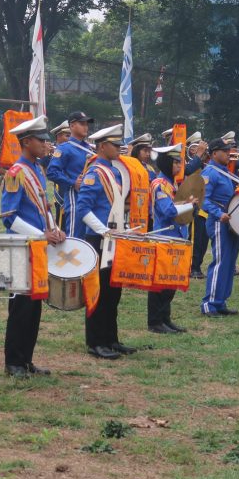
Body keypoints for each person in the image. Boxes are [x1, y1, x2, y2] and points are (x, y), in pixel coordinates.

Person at [1, 115, 64, 377]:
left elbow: (42, 205)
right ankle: (13, 362)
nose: (46, 144)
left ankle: (26, 359)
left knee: (34, 305)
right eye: (41, 140)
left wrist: (53, 228)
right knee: (21, 307)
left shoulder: (38, 169)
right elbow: (9, 216)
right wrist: (41, 234)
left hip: (37, 246)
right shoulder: (16, 172)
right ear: (27, 142)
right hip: (22, 247)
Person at [76, 124, 135, 359]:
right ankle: (96, 341)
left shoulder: (113, 171)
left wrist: (124, 229)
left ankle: (111, 338)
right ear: (102, 147)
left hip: (114, 238)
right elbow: (83, 208)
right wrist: (104, 232)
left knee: (113, 293)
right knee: (98, 293)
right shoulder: (94, 173)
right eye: (115, 144)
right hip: (100, 239)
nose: (119, 147)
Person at [148, 143, 195, 333]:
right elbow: (167, 211)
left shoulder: (171, 184)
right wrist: (189, 205)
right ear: (167, 163)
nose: (178, 166)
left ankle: (165, 319)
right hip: (165, 237)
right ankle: (155, 322)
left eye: (180, 162)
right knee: (160, 283)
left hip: (176, 236)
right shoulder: (159, 185)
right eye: (175, 162)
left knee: (171, 282)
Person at [201, 137, 239, 316]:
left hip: (231, 222)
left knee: (229, 262)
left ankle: (221, 301)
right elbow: (203, 200)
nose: (229, 154)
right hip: (219, 222)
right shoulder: (209, 173)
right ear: (214, 153)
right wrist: (219, 214)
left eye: (229, 151)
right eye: (225, 151)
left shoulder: (224, 171)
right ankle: (210, 303)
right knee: (220, 262)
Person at [47, 111, 94, 236]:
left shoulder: (89, 148)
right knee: (75, 236)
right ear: (72, 126)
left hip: (90, 197)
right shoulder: (64, 148)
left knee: (90, 237)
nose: (86, 127)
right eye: (82, 123)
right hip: (75, 196)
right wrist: (73, 182)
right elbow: (51, 172)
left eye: (86, 124)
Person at [185, 132, 210, 279]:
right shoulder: (188, 161)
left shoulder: (201, 161)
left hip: (204, 203)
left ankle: (198, 266)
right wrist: (199, 154)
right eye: (198, 145)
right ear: (192, 149)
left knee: (203, 238)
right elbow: (187, 171)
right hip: (193, 203)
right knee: (195, 238)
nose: (202, 147)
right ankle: (192, 267)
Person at [46, 120, 70, 222]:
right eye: (67, 135)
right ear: (59, 136)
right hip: (62, 195)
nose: (70, 139)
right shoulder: (51, 153)